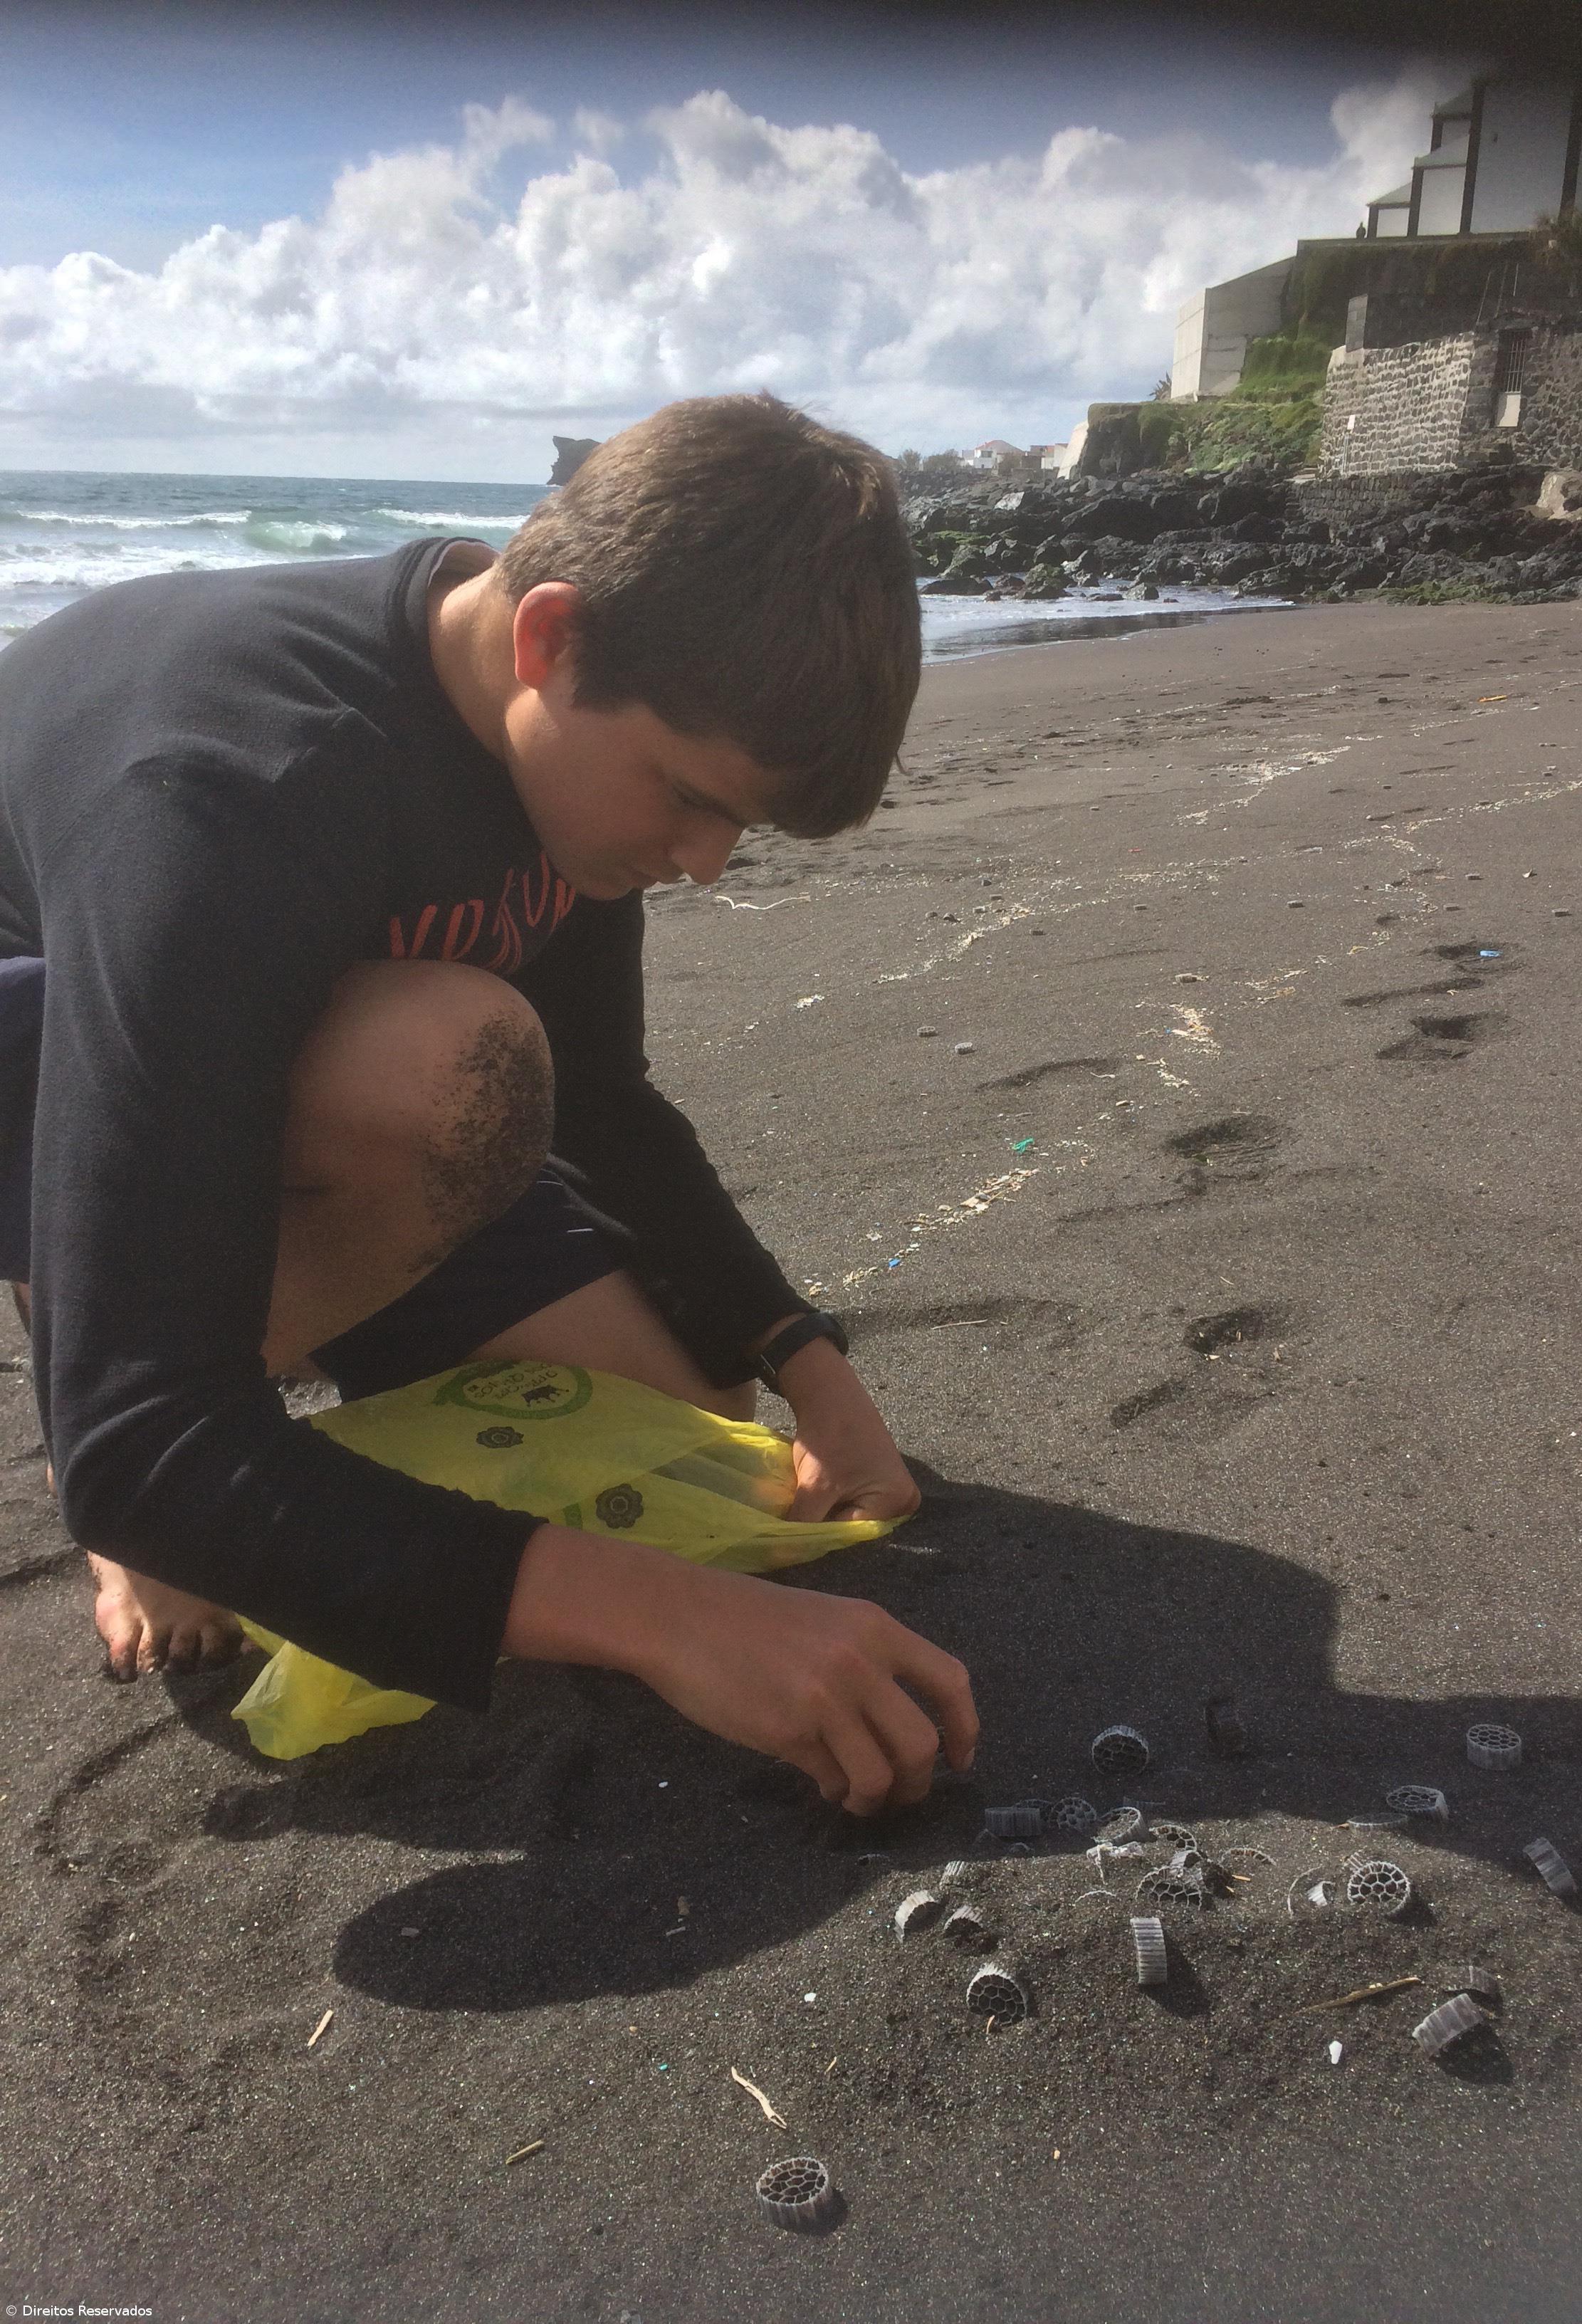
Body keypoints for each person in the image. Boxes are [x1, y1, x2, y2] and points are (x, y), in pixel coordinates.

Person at [0, 393, 977, 1816]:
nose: (704, 864)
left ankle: (233, 1395)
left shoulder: (560, 758)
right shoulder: (232, 789)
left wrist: (809, 1368)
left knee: (693, 1415)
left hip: (286, 1049)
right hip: (53, 1062)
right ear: (550, 639)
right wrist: (674, 1624)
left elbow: (608, 1103)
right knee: (450, 1069)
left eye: (740, 831)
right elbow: (144, 1447)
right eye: (692, 801)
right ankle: (102, 1331)